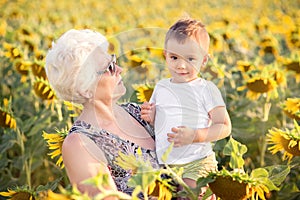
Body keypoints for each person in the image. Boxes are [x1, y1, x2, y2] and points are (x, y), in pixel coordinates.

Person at [45, 29, 159, 198]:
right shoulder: (79, 144)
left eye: (114, 60)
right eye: (110, 67)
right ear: (85, 89)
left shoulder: (139, 111)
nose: (119, 69)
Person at [141, 18, 232, 197]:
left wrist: (196, 135)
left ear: (204, 60)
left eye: (190, 59)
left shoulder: (206, 89)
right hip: (165, 164)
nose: (181, 65)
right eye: (174, 58)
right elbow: (158, 123)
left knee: (190, 194)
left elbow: (224, 126)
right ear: (166, 55)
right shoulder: (161, 87)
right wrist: (152, 116)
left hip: (197, 162)